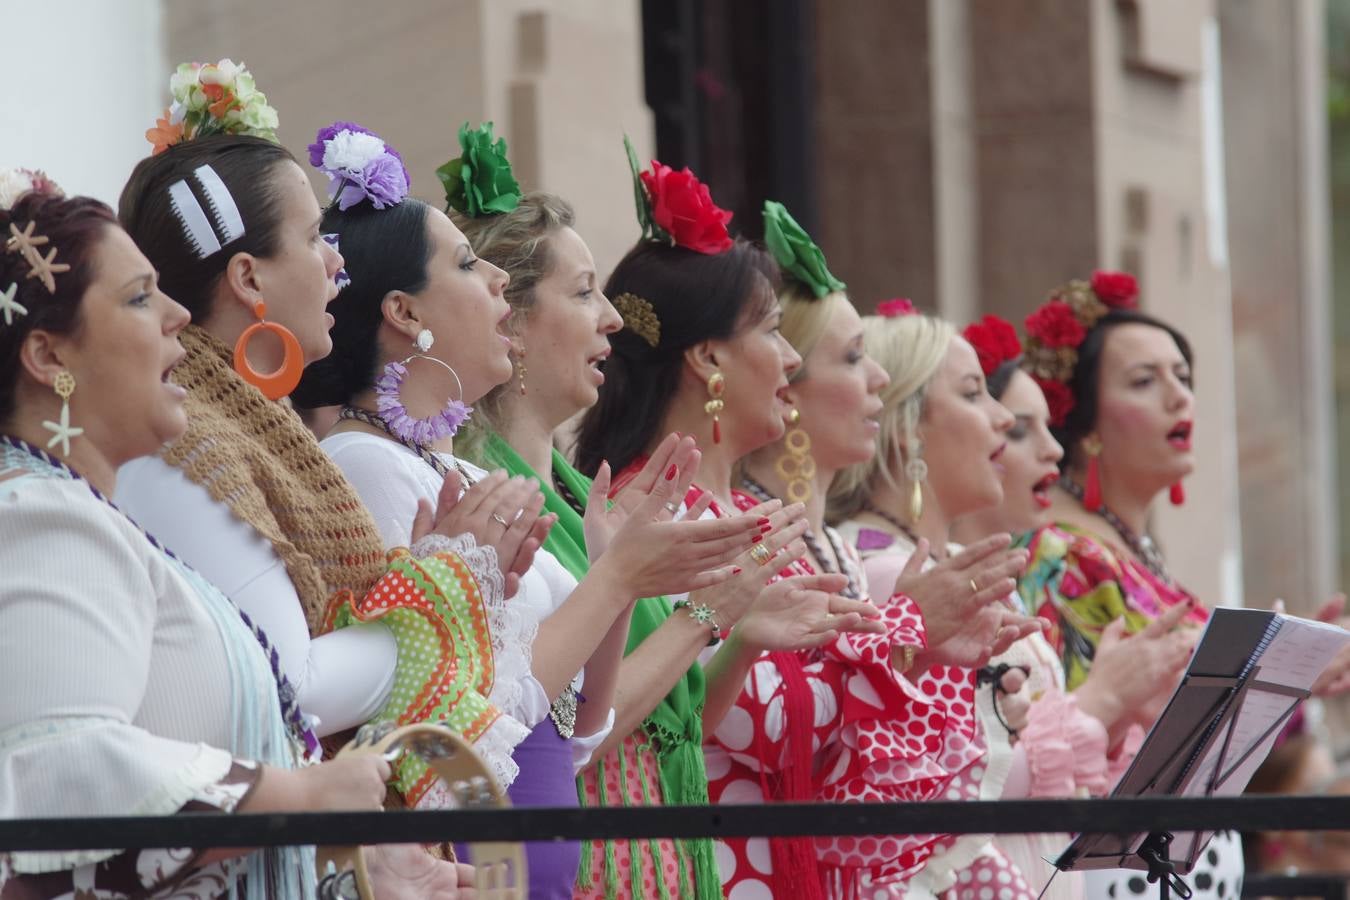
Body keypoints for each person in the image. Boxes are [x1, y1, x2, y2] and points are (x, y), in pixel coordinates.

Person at [291, 122, 764, 900]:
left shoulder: (445, 467)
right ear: (406, 313)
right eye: (469, 264)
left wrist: (613, 573)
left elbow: (576, 736)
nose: (497, 285)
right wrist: (616, 583)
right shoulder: (363, 465)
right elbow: (430, 721)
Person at [117, 65, 517, 893]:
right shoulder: (194, 438)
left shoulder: (246, 428)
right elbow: (281, 692)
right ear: (249, 279)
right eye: (312, 239)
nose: (338, 264)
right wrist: (440, 579)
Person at [447, 131, 873, 900]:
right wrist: (711, 615)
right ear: (505, 318)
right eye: (582, 294)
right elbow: (562, 732)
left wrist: (735, 626)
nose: (610, 318)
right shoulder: (485, 499)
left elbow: (667, 723)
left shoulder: (583, 493)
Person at [0, 185, 390, 899]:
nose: (178, 313)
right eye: (142, 297)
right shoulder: (39, 517)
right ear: (49, 354)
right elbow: (62, 776)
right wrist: (303, 797)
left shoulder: (84, 517)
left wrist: (360, 878)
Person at [1011, 270, 1242, 900]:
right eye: (1146, 381)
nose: (1179, 398)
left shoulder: (1129, 547)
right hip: (1112, 871)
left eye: (1183, 378)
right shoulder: (1062, 554)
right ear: (1085, 425)